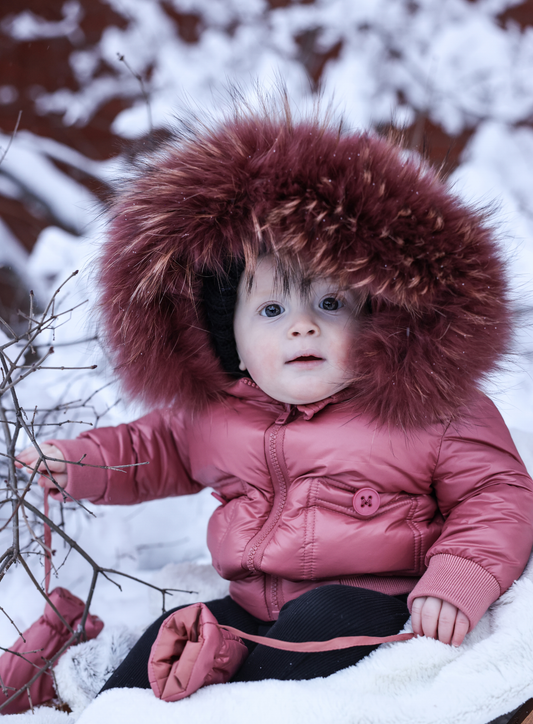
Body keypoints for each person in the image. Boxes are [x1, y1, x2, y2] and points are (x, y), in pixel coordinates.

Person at [16, 104, 533, 691]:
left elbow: (497, 493)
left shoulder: (427, 407)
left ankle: (237, 711)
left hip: (380, 608)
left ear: (377, 317)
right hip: (255, 614)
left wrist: (457, 580)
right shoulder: (219, 411)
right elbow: (152, 447)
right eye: (271, 310)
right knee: (169, 636)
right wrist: (75, 462)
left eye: (330, 304)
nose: (302, 327)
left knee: (319, 620)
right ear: (225, 333)